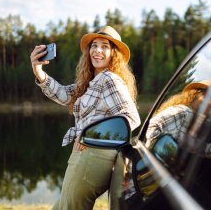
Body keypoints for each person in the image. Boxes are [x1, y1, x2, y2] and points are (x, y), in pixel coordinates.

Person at [30, 26, 141, 210]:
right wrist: (38, 71)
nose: (97, 50)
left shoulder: (109, 79)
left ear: (114, 53)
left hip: (93, 155)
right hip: (86, 155)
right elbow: (64, 95)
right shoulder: (90, 83)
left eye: (105, 46)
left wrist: (91, 135)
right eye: (94, 45)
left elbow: (131, 117)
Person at [146, 80, 211, 158]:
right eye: (209, 97)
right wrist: (158, 152)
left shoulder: (191, 120)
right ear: (196, 94)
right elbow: (152, 125)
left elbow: (197, 147)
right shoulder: (184, 112)